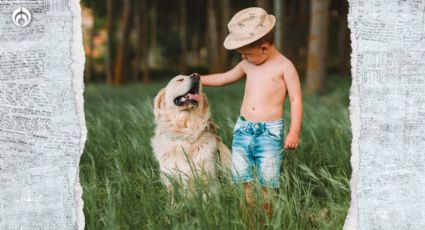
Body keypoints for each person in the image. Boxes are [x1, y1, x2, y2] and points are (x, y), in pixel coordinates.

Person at [200, 7, 303, 221]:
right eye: (242, 55)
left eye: (247, 54)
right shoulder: (248, 64)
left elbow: (295, 99)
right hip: (244, 129)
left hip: (269, 133)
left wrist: (293, 132)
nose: (244, 58)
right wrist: (199, 79)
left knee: (267, 181)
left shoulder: (284, 67)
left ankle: (266, 220)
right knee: (242, 178)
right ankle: (247, 220)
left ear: (264, 48)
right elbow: (223, 78)